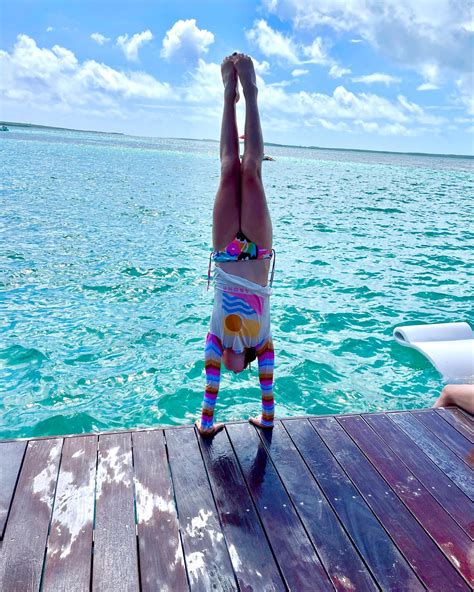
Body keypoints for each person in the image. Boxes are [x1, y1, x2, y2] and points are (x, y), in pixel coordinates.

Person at [195, 53, 275, 437]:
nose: (224, 367)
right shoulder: (262, 343)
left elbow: (209, 394)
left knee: (230, 169)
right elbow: (269, 397)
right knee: (252, 173)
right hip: (257, 251)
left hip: (226, 250)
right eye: (230, 368)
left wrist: (207, 425)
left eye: (220, 367)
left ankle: (228, 92)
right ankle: (252, 93)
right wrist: (266, 420)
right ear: (244, 364)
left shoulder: (216, 340)